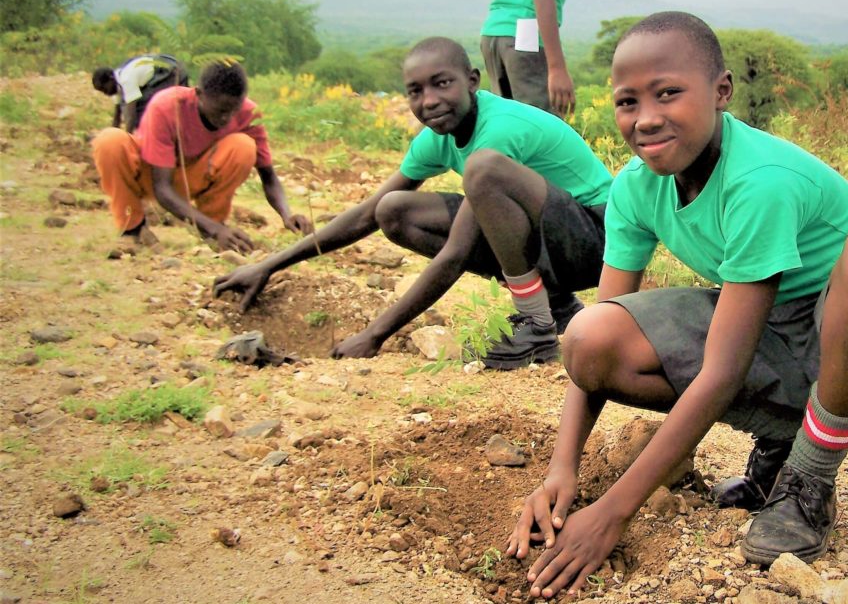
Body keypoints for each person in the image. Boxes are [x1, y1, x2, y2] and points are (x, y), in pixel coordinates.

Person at [506, 12, 848, 598]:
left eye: (669, 93)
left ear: (721, 92)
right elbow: (598, 330)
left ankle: (806, 481)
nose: (646, 118)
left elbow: (723, 371)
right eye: (627, 101)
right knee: (591, 337)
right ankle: (783, 438)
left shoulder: (758, 180)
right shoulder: (636, 188)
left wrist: (614, 513)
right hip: (769, 330)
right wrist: (562, 470)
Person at [213, 37, 612, 369]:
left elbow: (456, 253)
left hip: (596, 241)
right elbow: (370, 212)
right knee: (394, 210)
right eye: (416, 91)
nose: (430, 100)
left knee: (483, 171)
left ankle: (536, 323)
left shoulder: (500, 132)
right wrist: (268, 265)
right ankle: (557, 307)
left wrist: (375, 335)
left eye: (442, 84)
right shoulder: (437, 137)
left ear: (472, 81)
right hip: (551, 242)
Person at [91, 61, 312, 251]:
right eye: (219, 111)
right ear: (198, 94)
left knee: (244, 147)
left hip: (195, 177)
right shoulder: (167, 106)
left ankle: (210, 227)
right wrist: (217, 230)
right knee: (109, 141)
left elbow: (268, 176)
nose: (226, 118)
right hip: (151, 176)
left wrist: (286, 215)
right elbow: (162, 189)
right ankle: (133, 230)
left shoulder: (249, 113)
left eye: (233, 110)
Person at [480, 0, 587, 117]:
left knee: (508, 125)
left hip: (493, 33)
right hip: (525, 34)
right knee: (543, 130)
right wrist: (557, 69)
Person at [92, 54, 189, 132]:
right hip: (160, 73)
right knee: (126, 105)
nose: (106, 94)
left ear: (111, 78)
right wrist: (112, 137)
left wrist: (126, 139)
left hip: (172, 72)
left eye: (104, 89)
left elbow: (131, 116)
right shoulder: (117, 82)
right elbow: (117, 117)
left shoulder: (126, 79)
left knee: (141, 111)